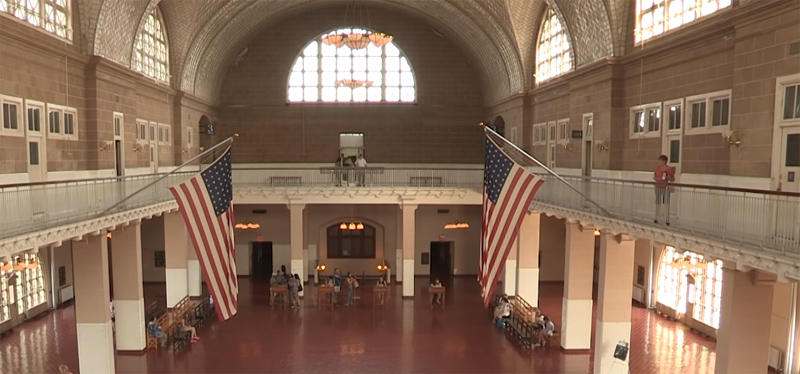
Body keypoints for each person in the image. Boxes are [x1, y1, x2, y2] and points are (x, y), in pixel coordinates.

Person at [654, 154, 676, 225]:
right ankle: (656, 217)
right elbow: (654, 176)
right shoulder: (658, 168)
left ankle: (667, 219)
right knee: (657, 202)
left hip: (666, 188)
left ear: (664, 161)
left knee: (666, 203)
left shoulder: (669, 169)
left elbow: (673, 179)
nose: (659, 162)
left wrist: (668, 177)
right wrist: (656, 178)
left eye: (660, 161)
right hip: (658, 187)